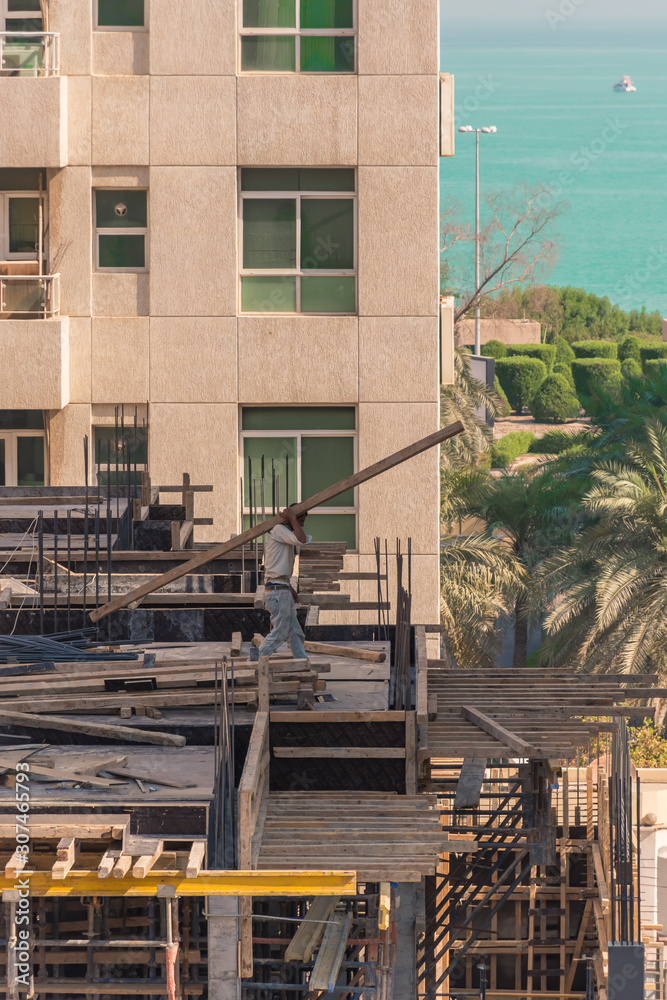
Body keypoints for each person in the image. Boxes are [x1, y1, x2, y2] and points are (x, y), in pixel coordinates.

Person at [250, 505, 312, 662]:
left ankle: (302, 663)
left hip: (281, 588)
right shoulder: (279, 529)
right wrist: (291, 517)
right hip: (277, 591)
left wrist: (289, 586)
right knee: (280, 632)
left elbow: (278, 566)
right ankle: (256, 662)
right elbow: (301, 539)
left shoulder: (284, 534)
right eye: (301, 520)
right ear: (292, 517)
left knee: (295, 632)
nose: (302, 525)